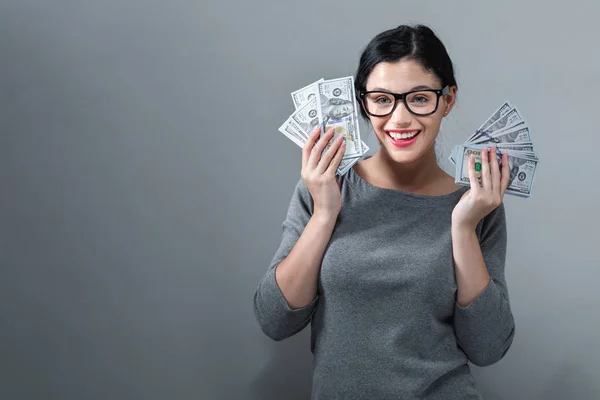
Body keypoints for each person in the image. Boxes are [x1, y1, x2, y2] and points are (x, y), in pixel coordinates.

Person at [253, 24, 516, 399]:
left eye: (420, 98)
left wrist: (462, 227)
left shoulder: (478, 203)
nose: (400, 119)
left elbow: (488, 347)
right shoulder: (324, 187)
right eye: (382, 99)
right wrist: (325, 213)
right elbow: (274, 319)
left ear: (448, 99)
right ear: (362, 102)